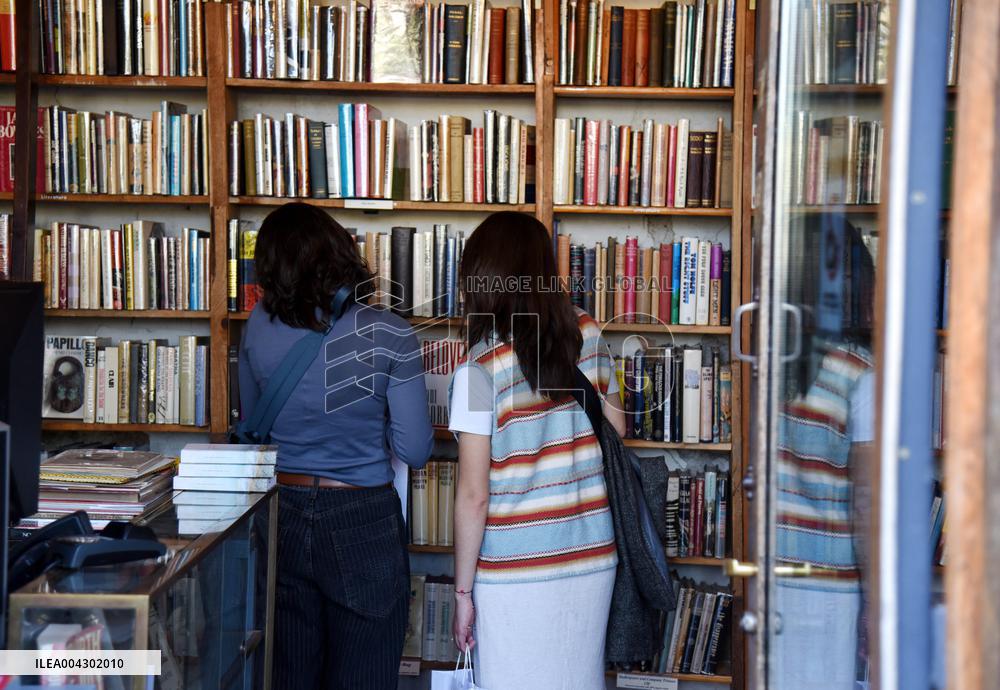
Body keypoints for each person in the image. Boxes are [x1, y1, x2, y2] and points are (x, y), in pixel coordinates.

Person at [238, 202, 434, 690]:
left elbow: (251, 429)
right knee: (364, 674)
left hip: (281, 511)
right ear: (341, 254)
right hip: (361, 516)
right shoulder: (389, 331)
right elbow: (414, 451)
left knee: (288, 671)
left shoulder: (257, 327)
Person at [448, 211, 627, 690]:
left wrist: (462, 593)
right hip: (592, 557)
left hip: (516, 570)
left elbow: (473, 495)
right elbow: (618, 428)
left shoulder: (478, 369)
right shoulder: (587, 334)